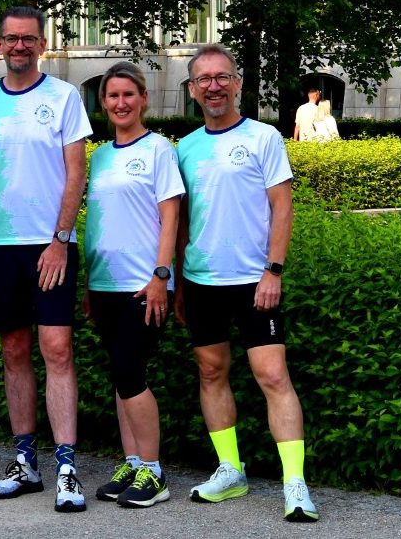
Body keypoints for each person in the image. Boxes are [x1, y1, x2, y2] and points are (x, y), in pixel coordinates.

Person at [176, 43, 320, 523]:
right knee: (212, 373)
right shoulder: (186, 147)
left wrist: (273, 270)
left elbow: (282, 206)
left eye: (223, 77)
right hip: (201, 281)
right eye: (204, 80)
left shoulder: (263, 137)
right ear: (193, 90)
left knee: (273, 377)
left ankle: (294, 483)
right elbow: (179, 222)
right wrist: (176, 280)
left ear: (238, 83)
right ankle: (230, 470)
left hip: (255, 282)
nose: (214, 86)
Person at [0, 5, 92, 513]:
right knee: (15, 351)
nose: (20, 46)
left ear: (42, 44)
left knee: (57, 349)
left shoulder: (63, 97)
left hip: (51, 244)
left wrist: (60, 238)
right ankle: (26, 463)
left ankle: (66, 467)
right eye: (11, 38)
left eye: (29, 38)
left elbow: (75, 170)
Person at [83, 62, 184, 509]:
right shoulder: (100, 155)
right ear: (103, 103)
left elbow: (171, 216)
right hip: (104, 283)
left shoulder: (160, 149)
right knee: (119, 374)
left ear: (143, 98)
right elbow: (100, 221)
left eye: (128, 94)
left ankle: (154, 472)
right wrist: (89, 281)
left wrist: (162, 275)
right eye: (112, 96)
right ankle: (133, 461)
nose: (120, 103)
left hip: (145, 284)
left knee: (130, 371)